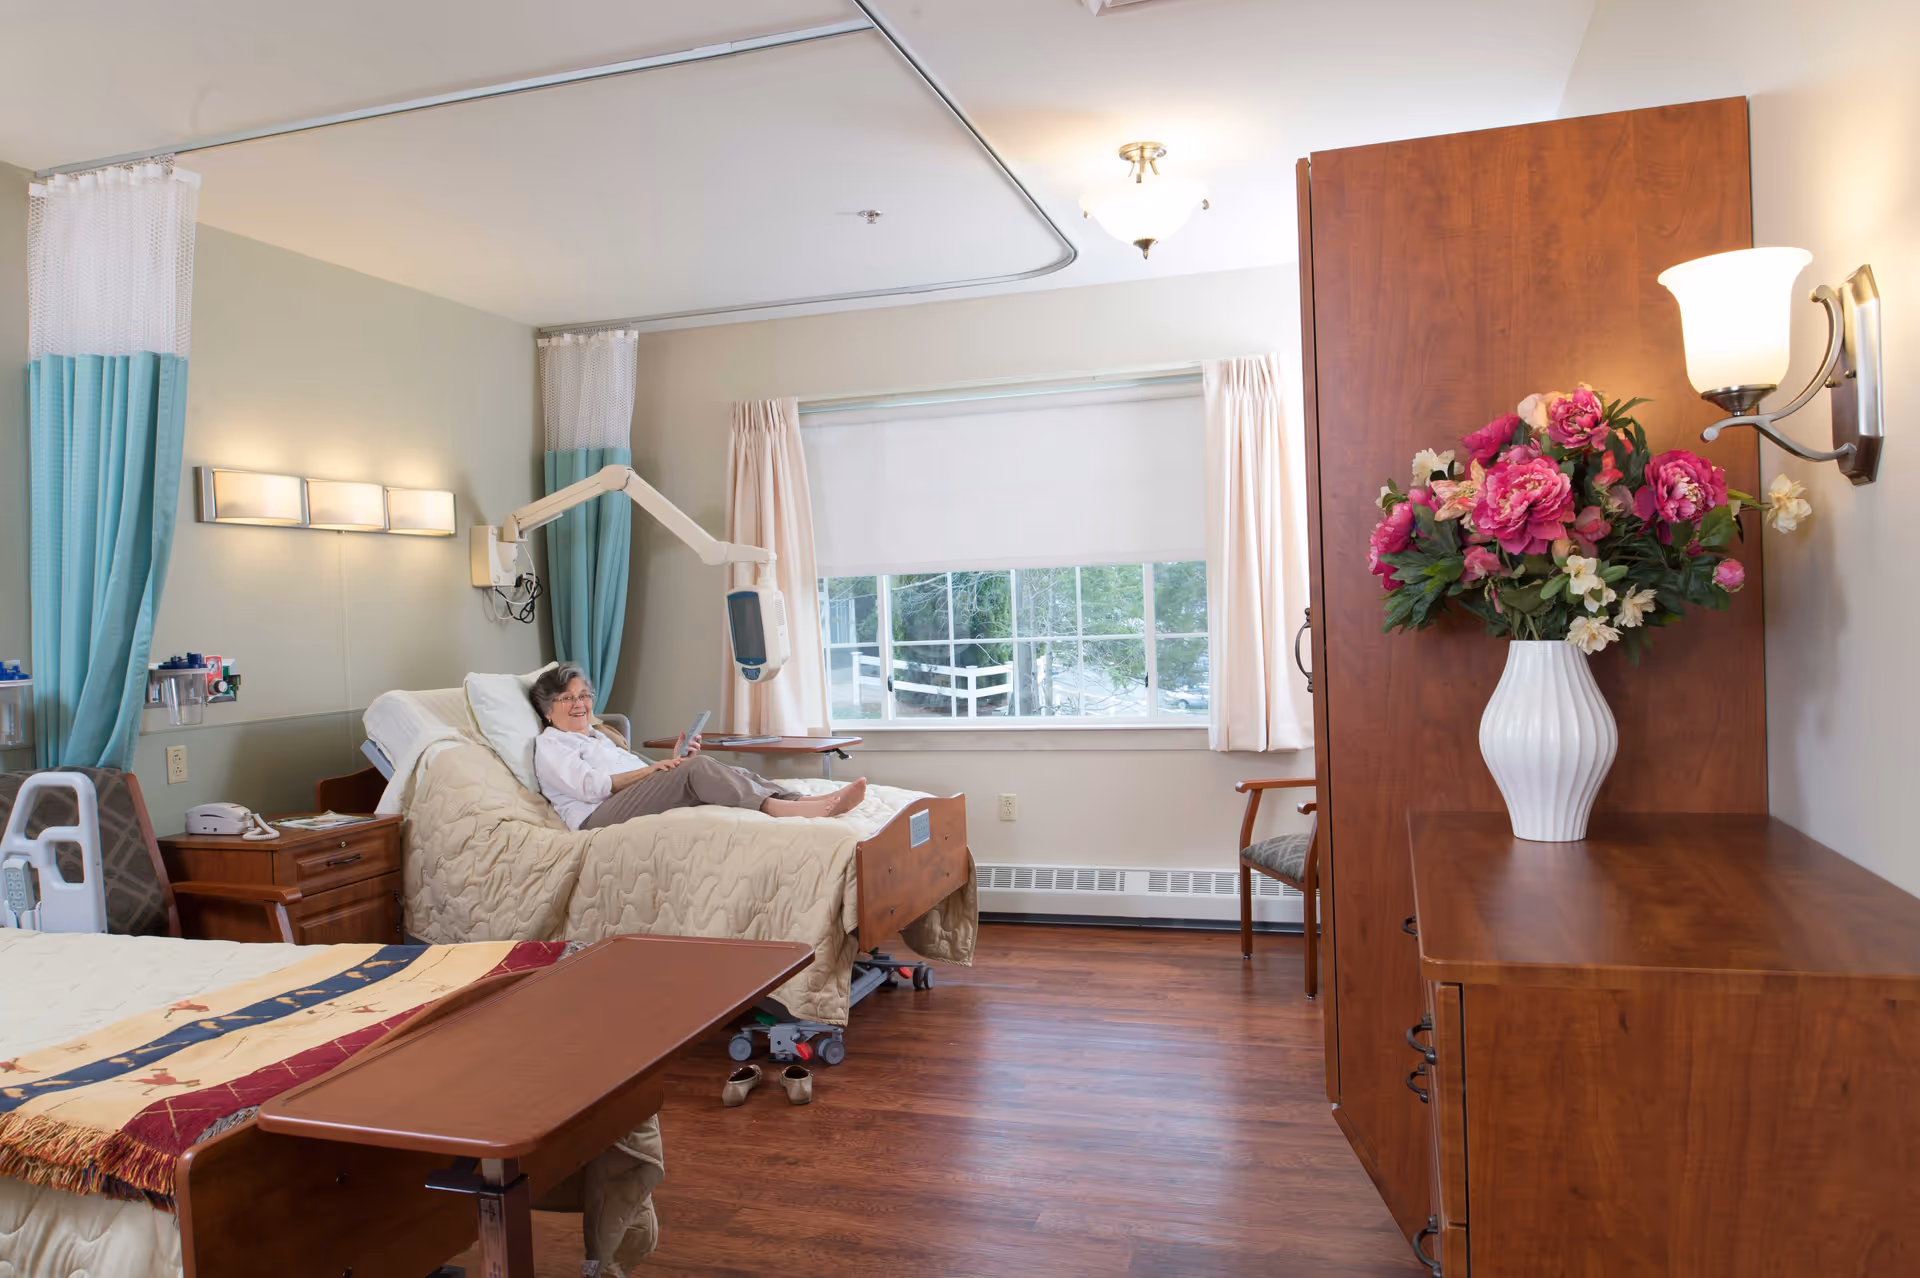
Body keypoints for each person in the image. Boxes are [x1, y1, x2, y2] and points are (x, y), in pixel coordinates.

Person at [529, 663, 867, 831]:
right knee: (697, 769)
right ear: (547, 711)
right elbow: (593, 787)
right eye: (567, 698)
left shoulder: (599, 735)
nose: (579, 704)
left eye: (584, 695)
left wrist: (672, 763)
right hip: (595, 817)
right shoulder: (551, 745)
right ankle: (782, 810)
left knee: (721, 770)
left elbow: (634, 774)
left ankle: (805, 801)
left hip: (622, 799)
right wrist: (655, 771)